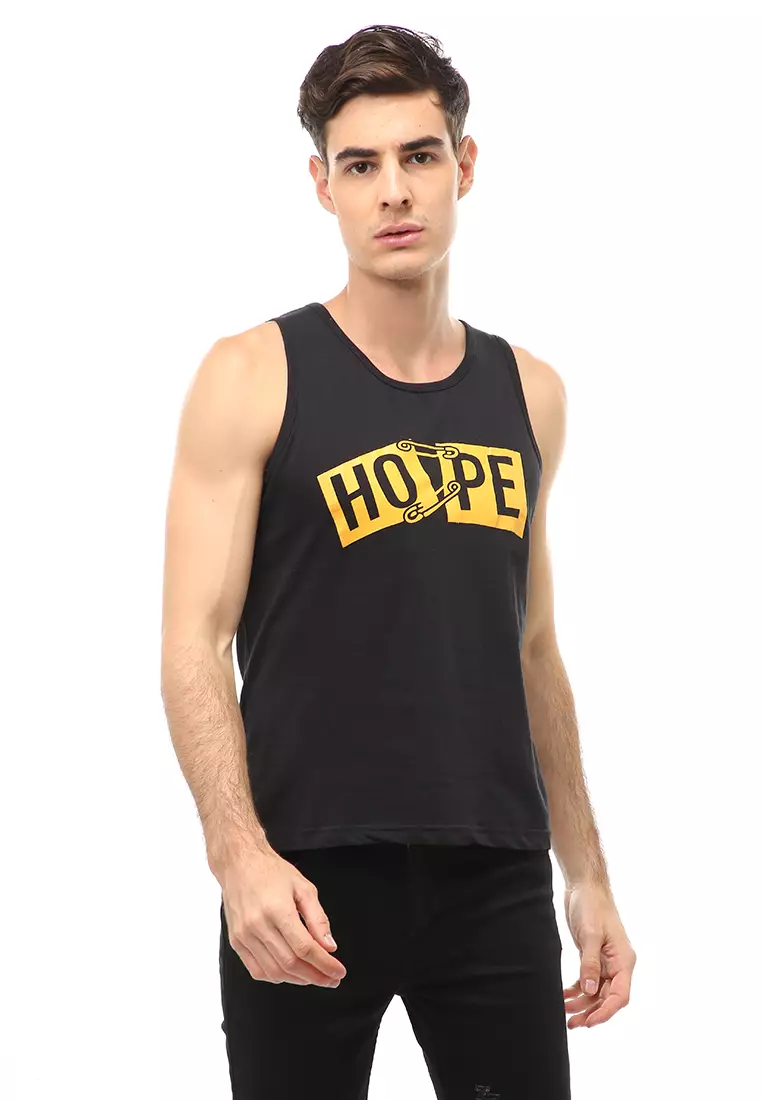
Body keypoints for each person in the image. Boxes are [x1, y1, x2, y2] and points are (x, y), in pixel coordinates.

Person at [160, 22, 636, 1100]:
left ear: (463, 166)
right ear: (321, 185)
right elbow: (192, 641)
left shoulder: (531, 392)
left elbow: (533, 646)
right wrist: (238, 858)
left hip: (494, 872)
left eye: (419, 156)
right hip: (303, 880)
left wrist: (586, 872)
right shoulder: (252, 375)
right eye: (360, 164)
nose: (393, 191)